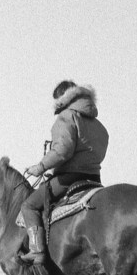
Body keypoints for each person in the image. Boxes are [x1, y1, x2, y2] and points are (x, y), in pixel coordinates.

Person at [21, 80, 109, 264]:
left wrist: (41, 166)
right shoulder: (98, 124)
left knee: (28, 206)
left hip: (69, 178)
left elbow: (63, 150)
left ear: (62, 99)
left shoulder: (66, 117)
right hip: (94, 179)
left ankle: (37, 250)